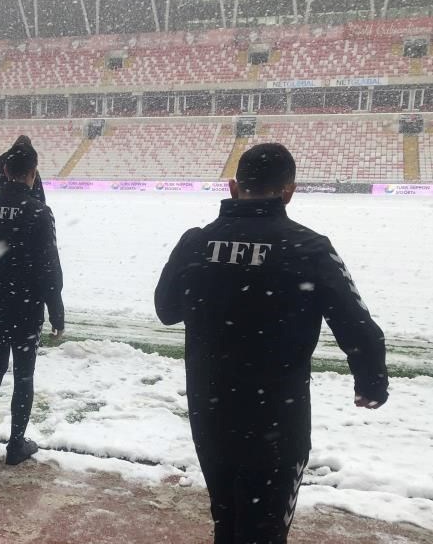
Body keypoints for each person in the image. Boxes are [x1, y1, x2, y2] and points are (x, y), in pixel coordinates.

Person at [154, 143, 389, 544]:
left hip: (211, 411)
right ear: (288, 191)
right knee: (265, 530)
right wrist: (371, 382)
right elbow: (356, 324)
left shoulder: (196, 242)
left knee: (226, 520)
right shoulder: (308, 247)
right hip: (276, 417)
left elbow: (167, 309)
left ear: (233, 187)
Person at [0, 135, 65, 466]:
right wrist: (56, 311)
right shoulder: (38, 211)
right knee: (23, 374)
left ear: (4, 170)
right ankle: (15, 444)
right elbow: (50, 267)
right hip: (26, 305)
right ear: (34, 174)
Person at [0, 135, 46, 203]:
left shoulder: (3, 165)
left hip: (3, 201)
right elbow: (40, 196)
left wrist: (10, 152)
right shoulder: (32, 170)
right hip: (27, 204)